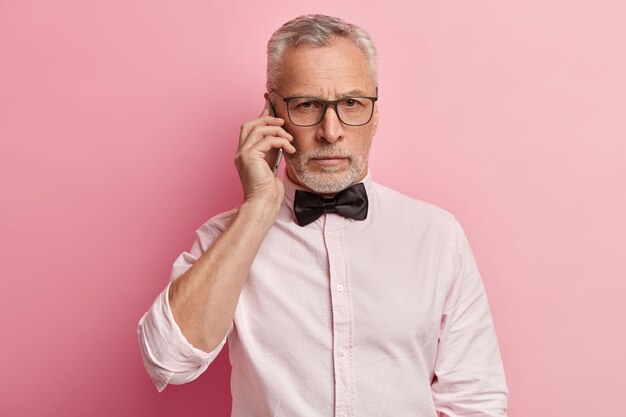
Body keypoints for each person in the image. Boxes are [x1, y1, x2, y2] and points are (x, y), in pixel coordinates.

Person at [137, 14, 509, 417]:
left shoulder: (436, 236)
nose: (331, 131)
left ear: (376, 112)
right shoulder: (226, 238)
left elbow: (476, 400)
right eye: (307, 105)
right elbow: (167, 361)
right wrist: (256, 210)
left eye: (351, 103)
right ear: (271, 113)